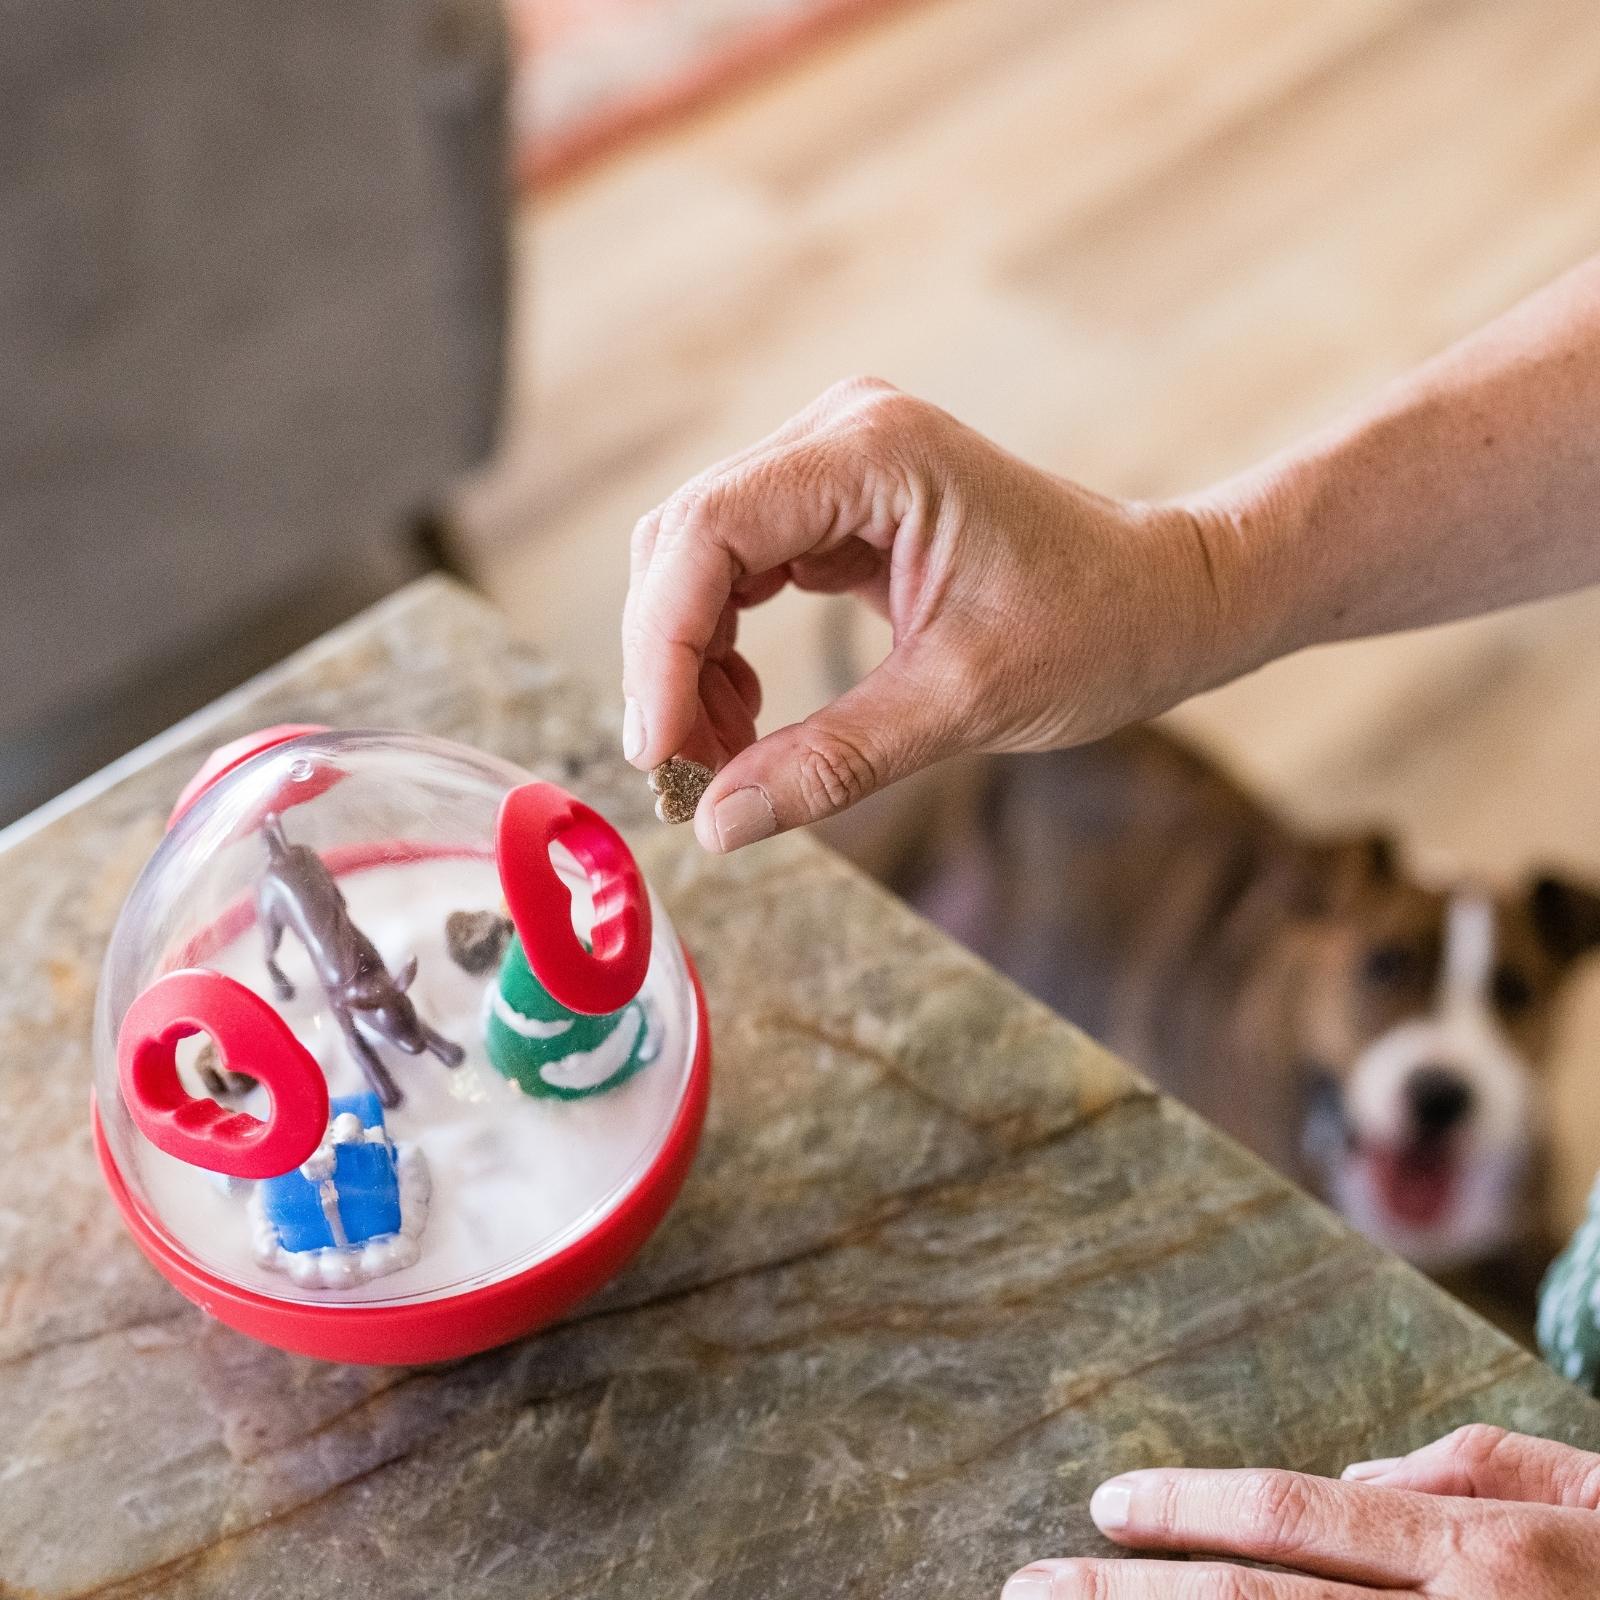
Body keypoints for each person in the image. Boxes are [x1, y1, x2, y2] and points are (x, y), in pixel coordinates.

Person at [619, 261, 1600, 1592]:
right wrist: (1194, 571)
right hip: (995, 815)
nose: (1445, 1045)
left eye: (1507, 1002)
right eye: (1394, 978)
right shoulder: (1283, 1021)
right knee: (753, 904)